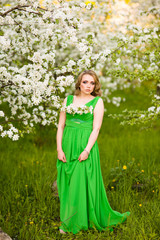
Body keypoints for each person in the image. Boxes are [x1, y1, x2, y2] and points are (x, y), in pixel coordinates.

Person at [56, 70, 130, 235]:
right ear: (79, 83)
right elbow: (61, 125)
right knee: (67, 182)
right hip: (68, 143)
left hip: (85, 145)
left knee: (80, 182)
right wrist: (59, 148)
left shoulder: (97, 102)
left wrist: (87, 150)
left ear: (95, 85)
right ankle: (71, 216)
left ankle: (73, 223)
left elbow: (96, 128)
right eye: (85, 82)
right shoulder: (68, 100)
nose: (88, 86)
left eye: (92, 83)